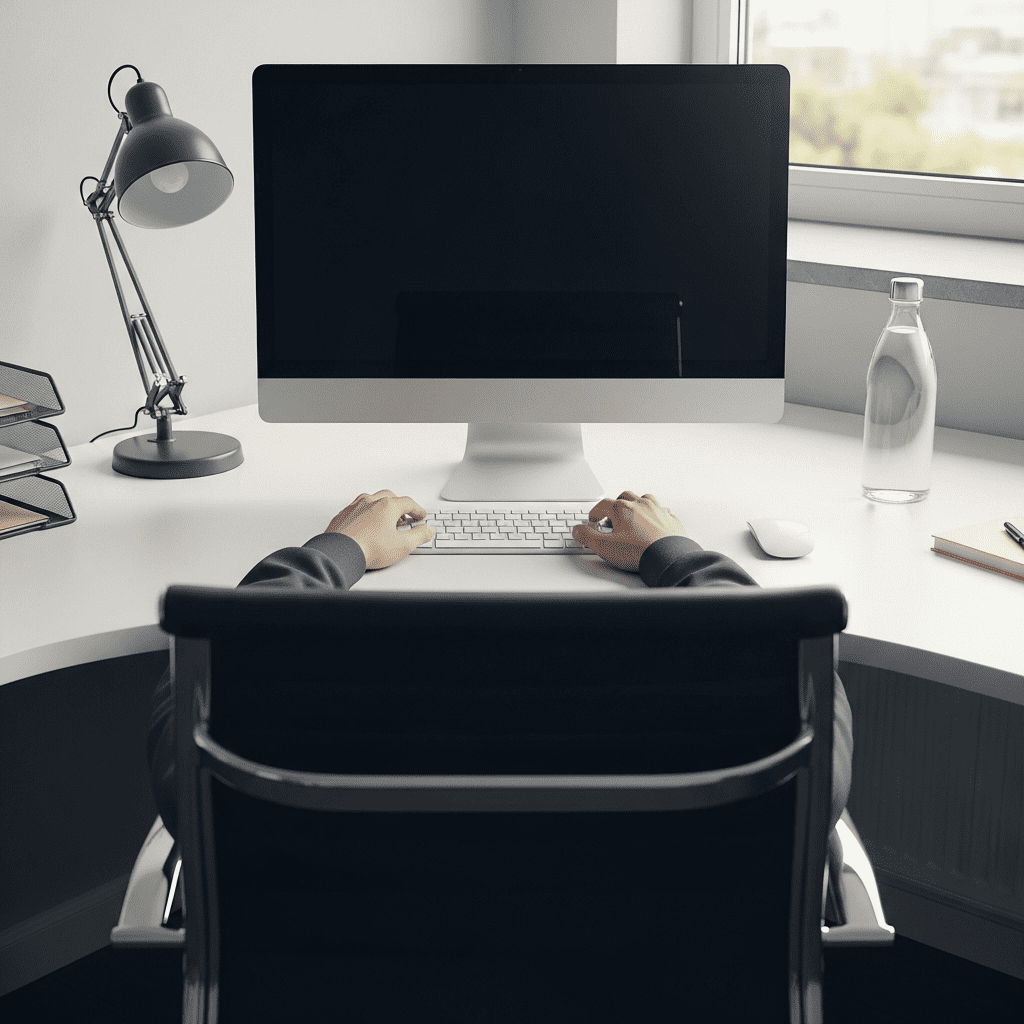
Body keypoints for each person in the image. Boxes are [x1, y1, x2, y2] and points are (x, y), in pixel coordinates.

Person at [147, 488, 853, 908]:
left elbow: (192, 706)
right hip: (657, 980)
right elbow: (813, 709)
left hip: (351, 977)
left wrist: (336, 550)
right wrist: (678, 556)